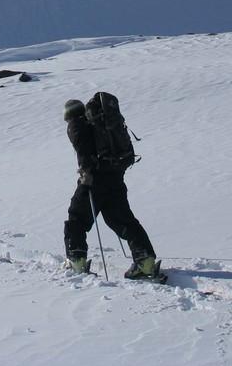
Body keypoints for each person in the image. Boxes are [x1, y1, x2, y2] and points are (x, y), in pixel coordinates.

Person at [62, 98, 163, 280]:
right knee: (123, 220)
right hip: (115, 177)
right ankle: (145, 261)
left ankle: (76, 261)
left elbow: (84, 153)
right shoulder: (96, 124)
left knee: (77, 218)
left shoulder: (76, 126)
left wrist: (86, 172)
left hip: (94, 180)